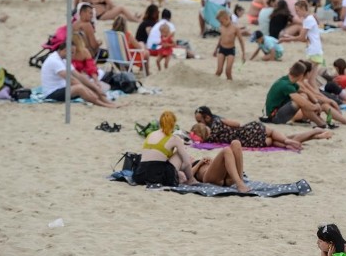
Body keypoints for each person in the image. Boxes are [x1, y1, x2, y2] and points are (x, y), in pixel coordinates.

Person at [193, 106, 330, 151]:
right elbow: (237, 124)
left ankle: (314, 135)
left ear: (206, 118)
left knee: (280, 142)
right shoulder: (219, 121)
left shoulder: (211, 137)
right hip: (250, 130)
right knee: (283, 138)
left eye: (199, 120)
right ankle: (315, 132)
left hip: (250, 142)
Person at [40, 43, 118, 108]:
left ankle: (109, 103)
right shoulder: (54, 61)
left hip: (62, 87)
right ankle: (104, 105)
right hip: (52, 93)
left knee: (91, 85)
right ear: (64, 51)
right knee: (80, 88)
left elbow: (78, 75)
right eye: (72, 52)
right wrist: (88, 90)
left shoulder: (64, 59)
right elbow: (71, 79)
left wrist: (95, 88)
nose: (73, 55)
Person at [133, 110, 195, 186]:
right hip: (156, 177)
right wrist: (190, 177)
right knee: (180, 153)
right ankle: (191, 180)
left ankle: (181, 175)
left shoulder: (151, 134)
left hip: (140, 175)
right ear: (174, 124)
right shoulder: (175, 139)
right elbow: (187, 163)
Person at [264, 61, 328, 126]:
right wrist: (315, 107)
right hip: (274, 117)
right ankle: (320, 123)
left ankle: (321, 123)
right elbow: (301, 102)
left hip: (277, 111)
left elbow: (305, 91)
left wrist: (316, 102)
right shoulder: (286, 85)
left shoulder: (287, 80)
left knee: (303, 96)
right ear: (301, 75)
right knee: (300, 102)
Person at [282, 0, 324, 66]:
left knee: (308, 73)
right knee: (312, 74)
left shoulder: (308, 20)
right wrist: (291, 37)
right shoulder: (308, 19)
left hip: (313, 50)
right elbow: (305, 38)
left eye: (297, 11)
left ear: (303, 9)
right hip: (316, 49)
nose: (296, 13)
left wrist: (287, 39)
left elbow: (301, 38)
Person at [214, 9, 245, 80]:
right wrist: (216, 49)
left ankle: (230, 84)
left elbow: (241, 41)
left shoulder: (235, 28)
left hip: (231, 50)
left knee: (228, 71)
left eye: (221, 22)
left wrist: (243, 54)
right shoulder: (222, 27)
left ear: (226, 18)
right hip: (222, 49)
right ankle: (213, 83)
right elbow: (221, 39)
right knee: (219, 71)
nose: (220, 23)